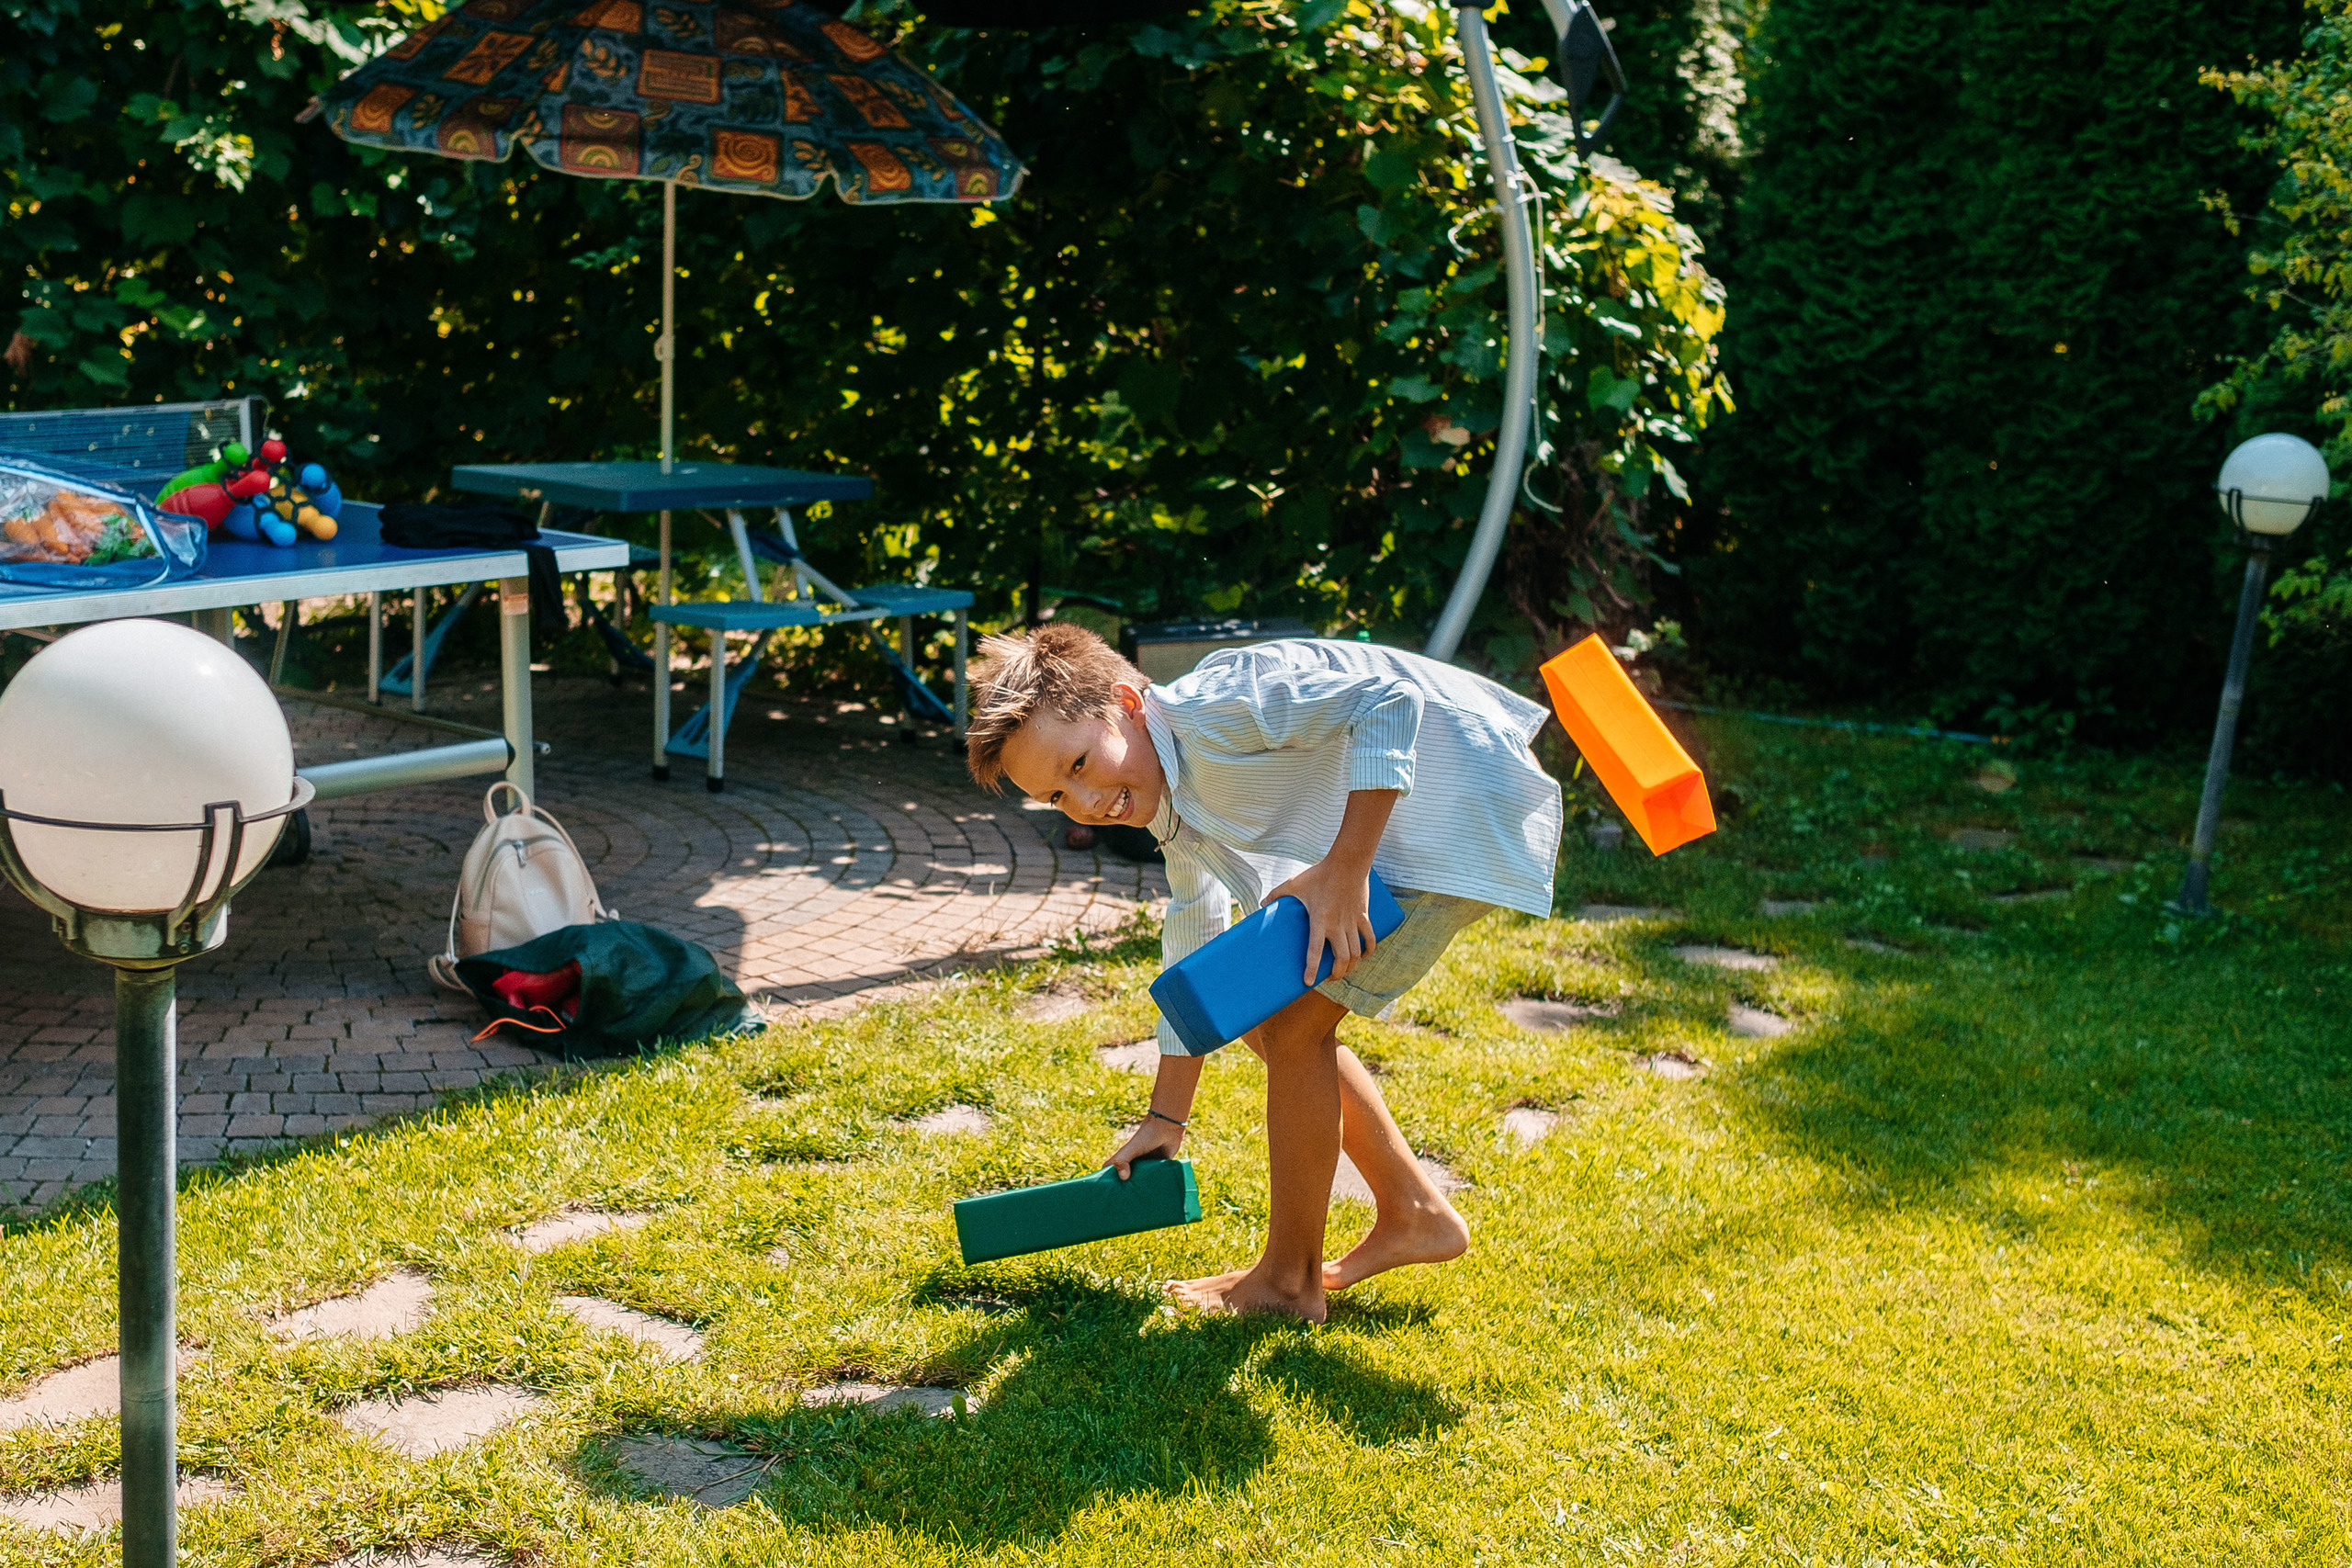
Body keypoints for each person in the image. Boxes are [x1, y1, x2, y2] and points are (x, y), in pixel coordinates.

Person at [965, 625, 1562, 1321]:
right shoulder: (1171, 796)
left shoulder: (1214, 709)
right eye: (1060, 797)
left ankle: (1288, 1282)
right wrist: (1167, 1115)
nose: (1088, 800)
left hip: (1454, 814)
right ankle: (1412, 1211)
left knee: (1295, 1027)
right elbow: (1195, 939)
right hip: (1413, 825)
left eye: (1079, 764)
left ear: (1125, 704)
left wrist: (1345, 870)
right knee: (1256, 1007)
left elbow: (1390, 701)